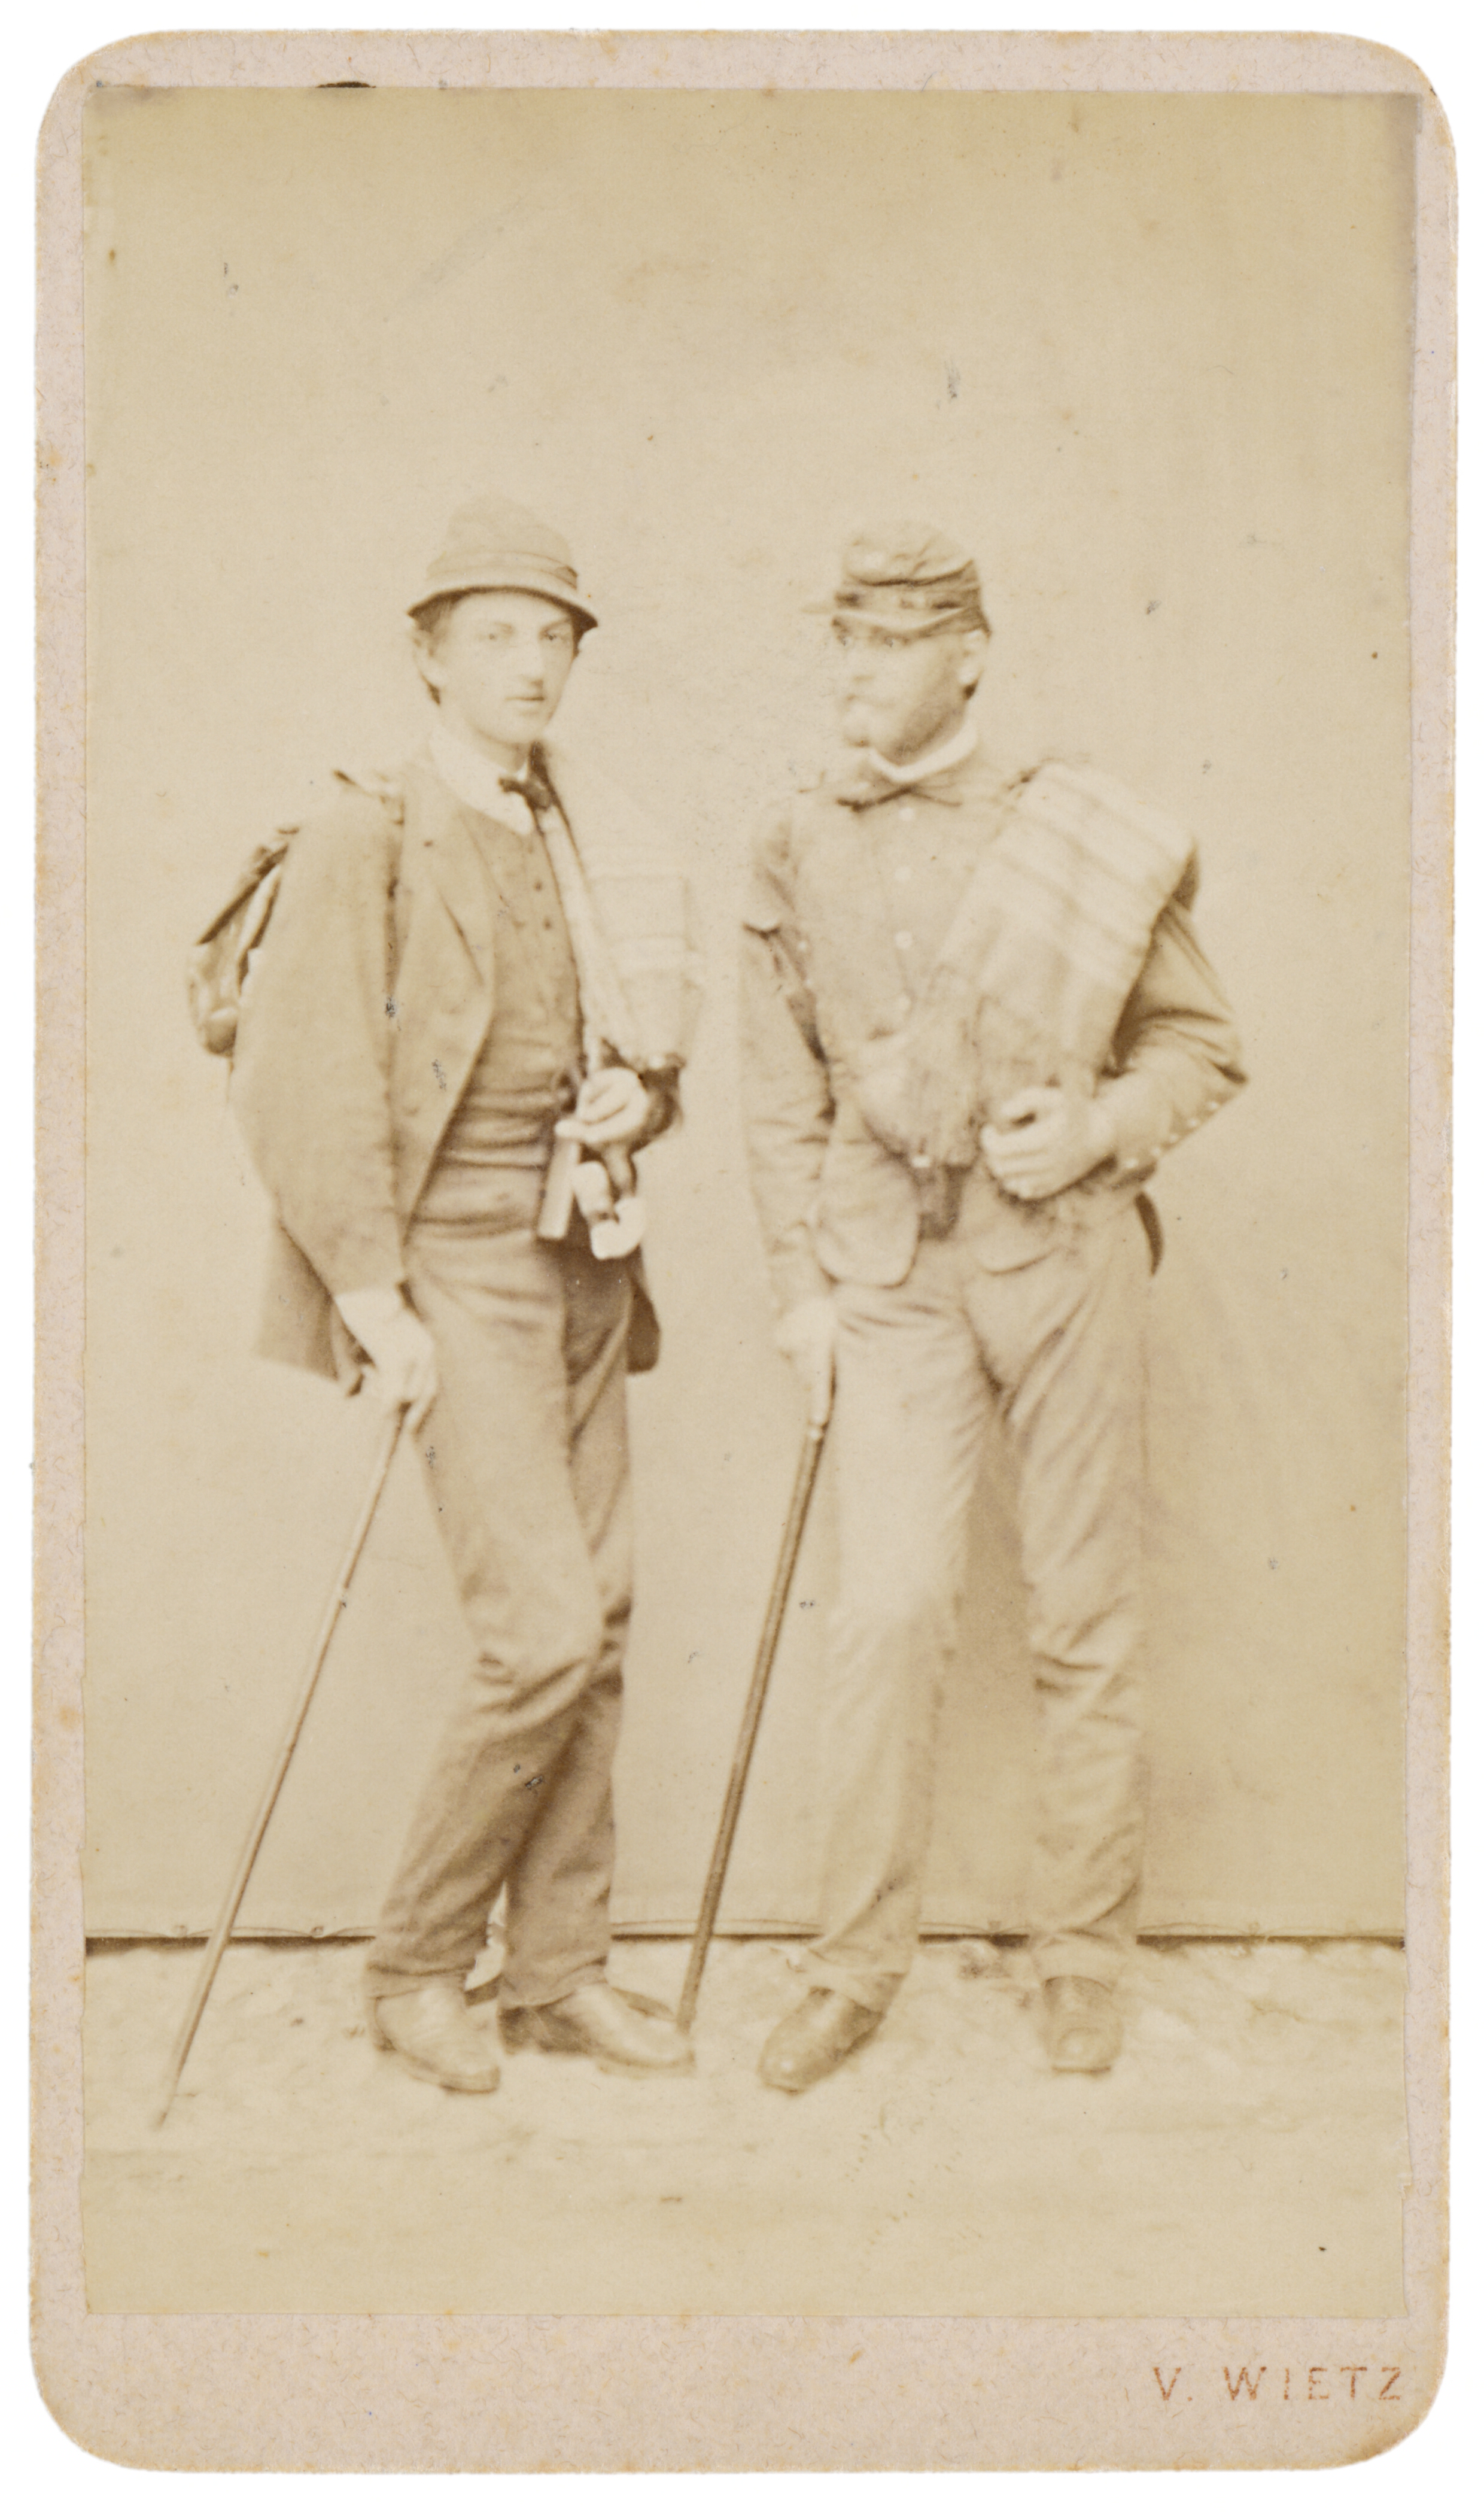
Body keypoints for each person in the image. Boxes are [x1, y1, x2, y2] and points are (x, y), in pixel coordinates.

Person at [738, 523, 1246, 2091]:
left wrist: (1097, 1127)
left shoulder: (1068, 825)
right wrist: (801, 1295)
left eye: (891, 643)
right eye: (845, 639)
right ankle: (851, 1968)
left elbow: (1199, 1046)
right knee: (886, 1612)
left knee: (1085, 1613)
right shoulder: (798, 837)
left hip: (1064, 1256)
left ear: (969, 658)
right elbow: (779, 1094)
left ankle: (1083, 1953)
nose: (856, 671)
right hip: (888, 1278)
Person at [231, 496, 702, 2093]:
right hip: (451, 1261)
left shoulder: (578, 828)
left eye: (554, 636)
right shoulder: (368, 835)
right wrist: (375, 1299)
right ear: (427, 657)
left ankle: (557, 1971)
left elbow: (627, 1034)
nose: (531, 664)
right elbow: (301, 1085)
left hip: (585, 1250)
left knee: (603, 1624)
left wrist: (644, 1095)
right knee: (542, 1634)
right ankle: (417, 1966)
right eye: (496, 634)